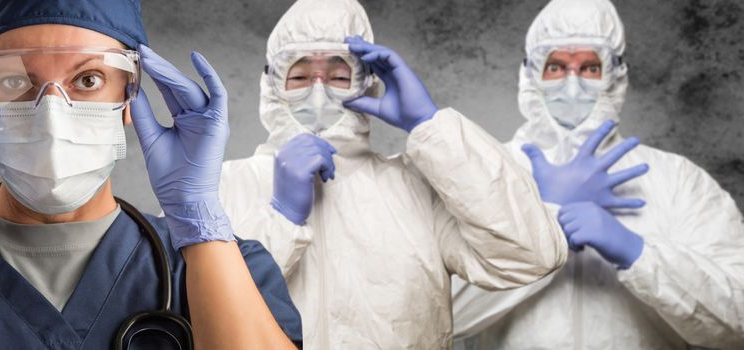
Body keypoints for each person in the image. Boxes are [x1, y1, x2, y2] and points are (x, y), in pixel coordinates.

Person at [0, 0, 303, 348]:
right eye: (16, 82)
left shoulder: (230, 265)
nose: (52, 113)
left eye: (88, 79)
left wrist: (199, 219)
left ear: (130, 96)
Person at [218, 0, 569, 348]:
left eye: (340, 76)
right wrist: (279, 219)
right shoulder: (221, 188)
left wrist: (430, 126)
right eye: (298, 76)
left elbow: (530, 256)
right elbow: (198, 316)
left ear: (368, 83)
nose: (319, 92)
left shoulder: (417, 188)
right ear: (271, 83)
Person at [451, 0, 744, 348]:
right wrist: (545, 226)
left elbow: (736, 323)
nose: (571, 85)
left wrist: (639, 253)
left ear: (616, 75)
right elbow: (436, 316)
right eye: (556, 66)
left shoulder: (676, 180)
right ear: (529, 74)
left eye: (589, 67)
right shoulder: (480, 172)